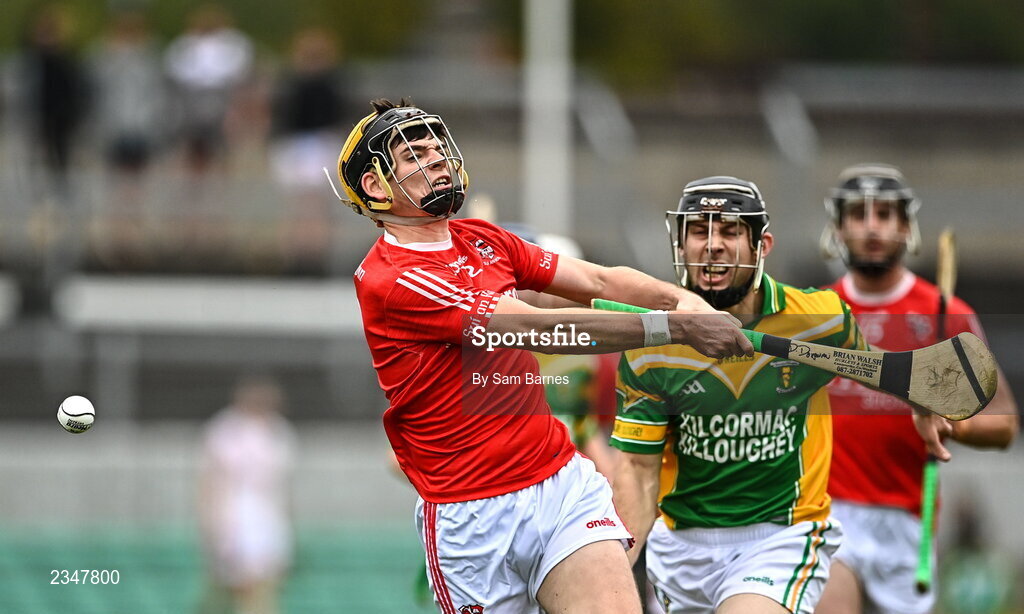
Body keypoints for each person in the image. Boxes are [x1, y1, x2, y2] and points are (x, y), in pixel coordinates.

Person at [332, 98, 753, 614]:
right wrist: (676, 327)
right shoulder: (391, 278)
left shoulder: (482, 241)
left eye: (436, 145)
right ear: (375, 187)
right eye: (416, 154)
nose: (438, 157)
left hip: (558, 485)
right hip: (472, 515)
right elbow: (538, 326)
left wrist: (683, 299)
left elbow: (597, 281)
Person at [611, 176, 885, 614]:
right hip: (680, 549)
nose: (713, 244)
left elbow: (876, 368)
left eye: (731, 230)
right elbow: (639, 470)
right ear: (680, 244)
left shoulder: (821, 320)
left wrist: (921, 404)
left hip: (782, 537)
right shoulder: (652, 347)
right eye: (699, 230)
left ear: (762, 246)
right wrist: (612, 570)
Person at [814, 163, 1018, 614]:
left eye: (885, 214)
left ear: (906, 227)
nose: (871, 226)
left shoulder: (945, 315)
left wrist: (951, 423)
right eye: (857, 214)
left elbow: (1004, 424)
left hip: (909, 517)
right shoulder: (814, 312)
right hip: (828, 510)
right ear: (838, 228)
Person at [197, 375, 296, 614]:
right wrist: (211, 521)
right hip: (234, 514)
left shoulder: (278, 431)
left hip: (266, 514)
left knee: (263, 584)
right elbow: (211, 479)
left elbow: (282, 485)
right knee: (236, 584)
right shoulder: (225, 430)